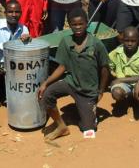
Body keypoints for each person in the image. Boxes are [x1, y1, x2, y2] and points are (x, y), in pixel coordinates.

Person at [38, 8, 110, 140]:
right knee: (46, 95)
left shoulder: (96, 44)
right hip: (71, 83)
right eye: (74, 24)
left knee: (88, 129)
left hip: (88, 90)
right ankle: (61, 126)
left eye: (80, 24)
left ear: (86, 23)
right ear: (69, 25)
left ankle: (86, 111)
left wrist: (101, 91)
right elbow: (62, 66)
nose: (77, 27)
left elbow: (105, 68)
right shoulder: (66, 41)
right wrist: (46, 83)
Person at [0, 0, 31, 108]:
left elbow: (25, 52)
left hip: (15, 64)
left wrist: (28, 42)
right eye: (10, 12)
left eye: (17, 12)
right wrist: (9, 45)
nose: (14, 15)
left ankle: (15, 93)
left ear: (21, 13)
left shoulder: (24, 29)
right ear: (5, 13)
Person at [109, 26, 139, 107]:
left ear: (138, 40)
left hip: (138, 83)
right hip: (122, 84)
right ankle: (124, 102)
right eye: (127, 41)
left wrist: (120, 79)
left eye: (133, 41)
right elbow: (108, 66)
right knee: (117, 92)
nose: (130, 43)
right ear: (122, 39)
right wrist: (113, 75)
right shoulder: (116, 52)